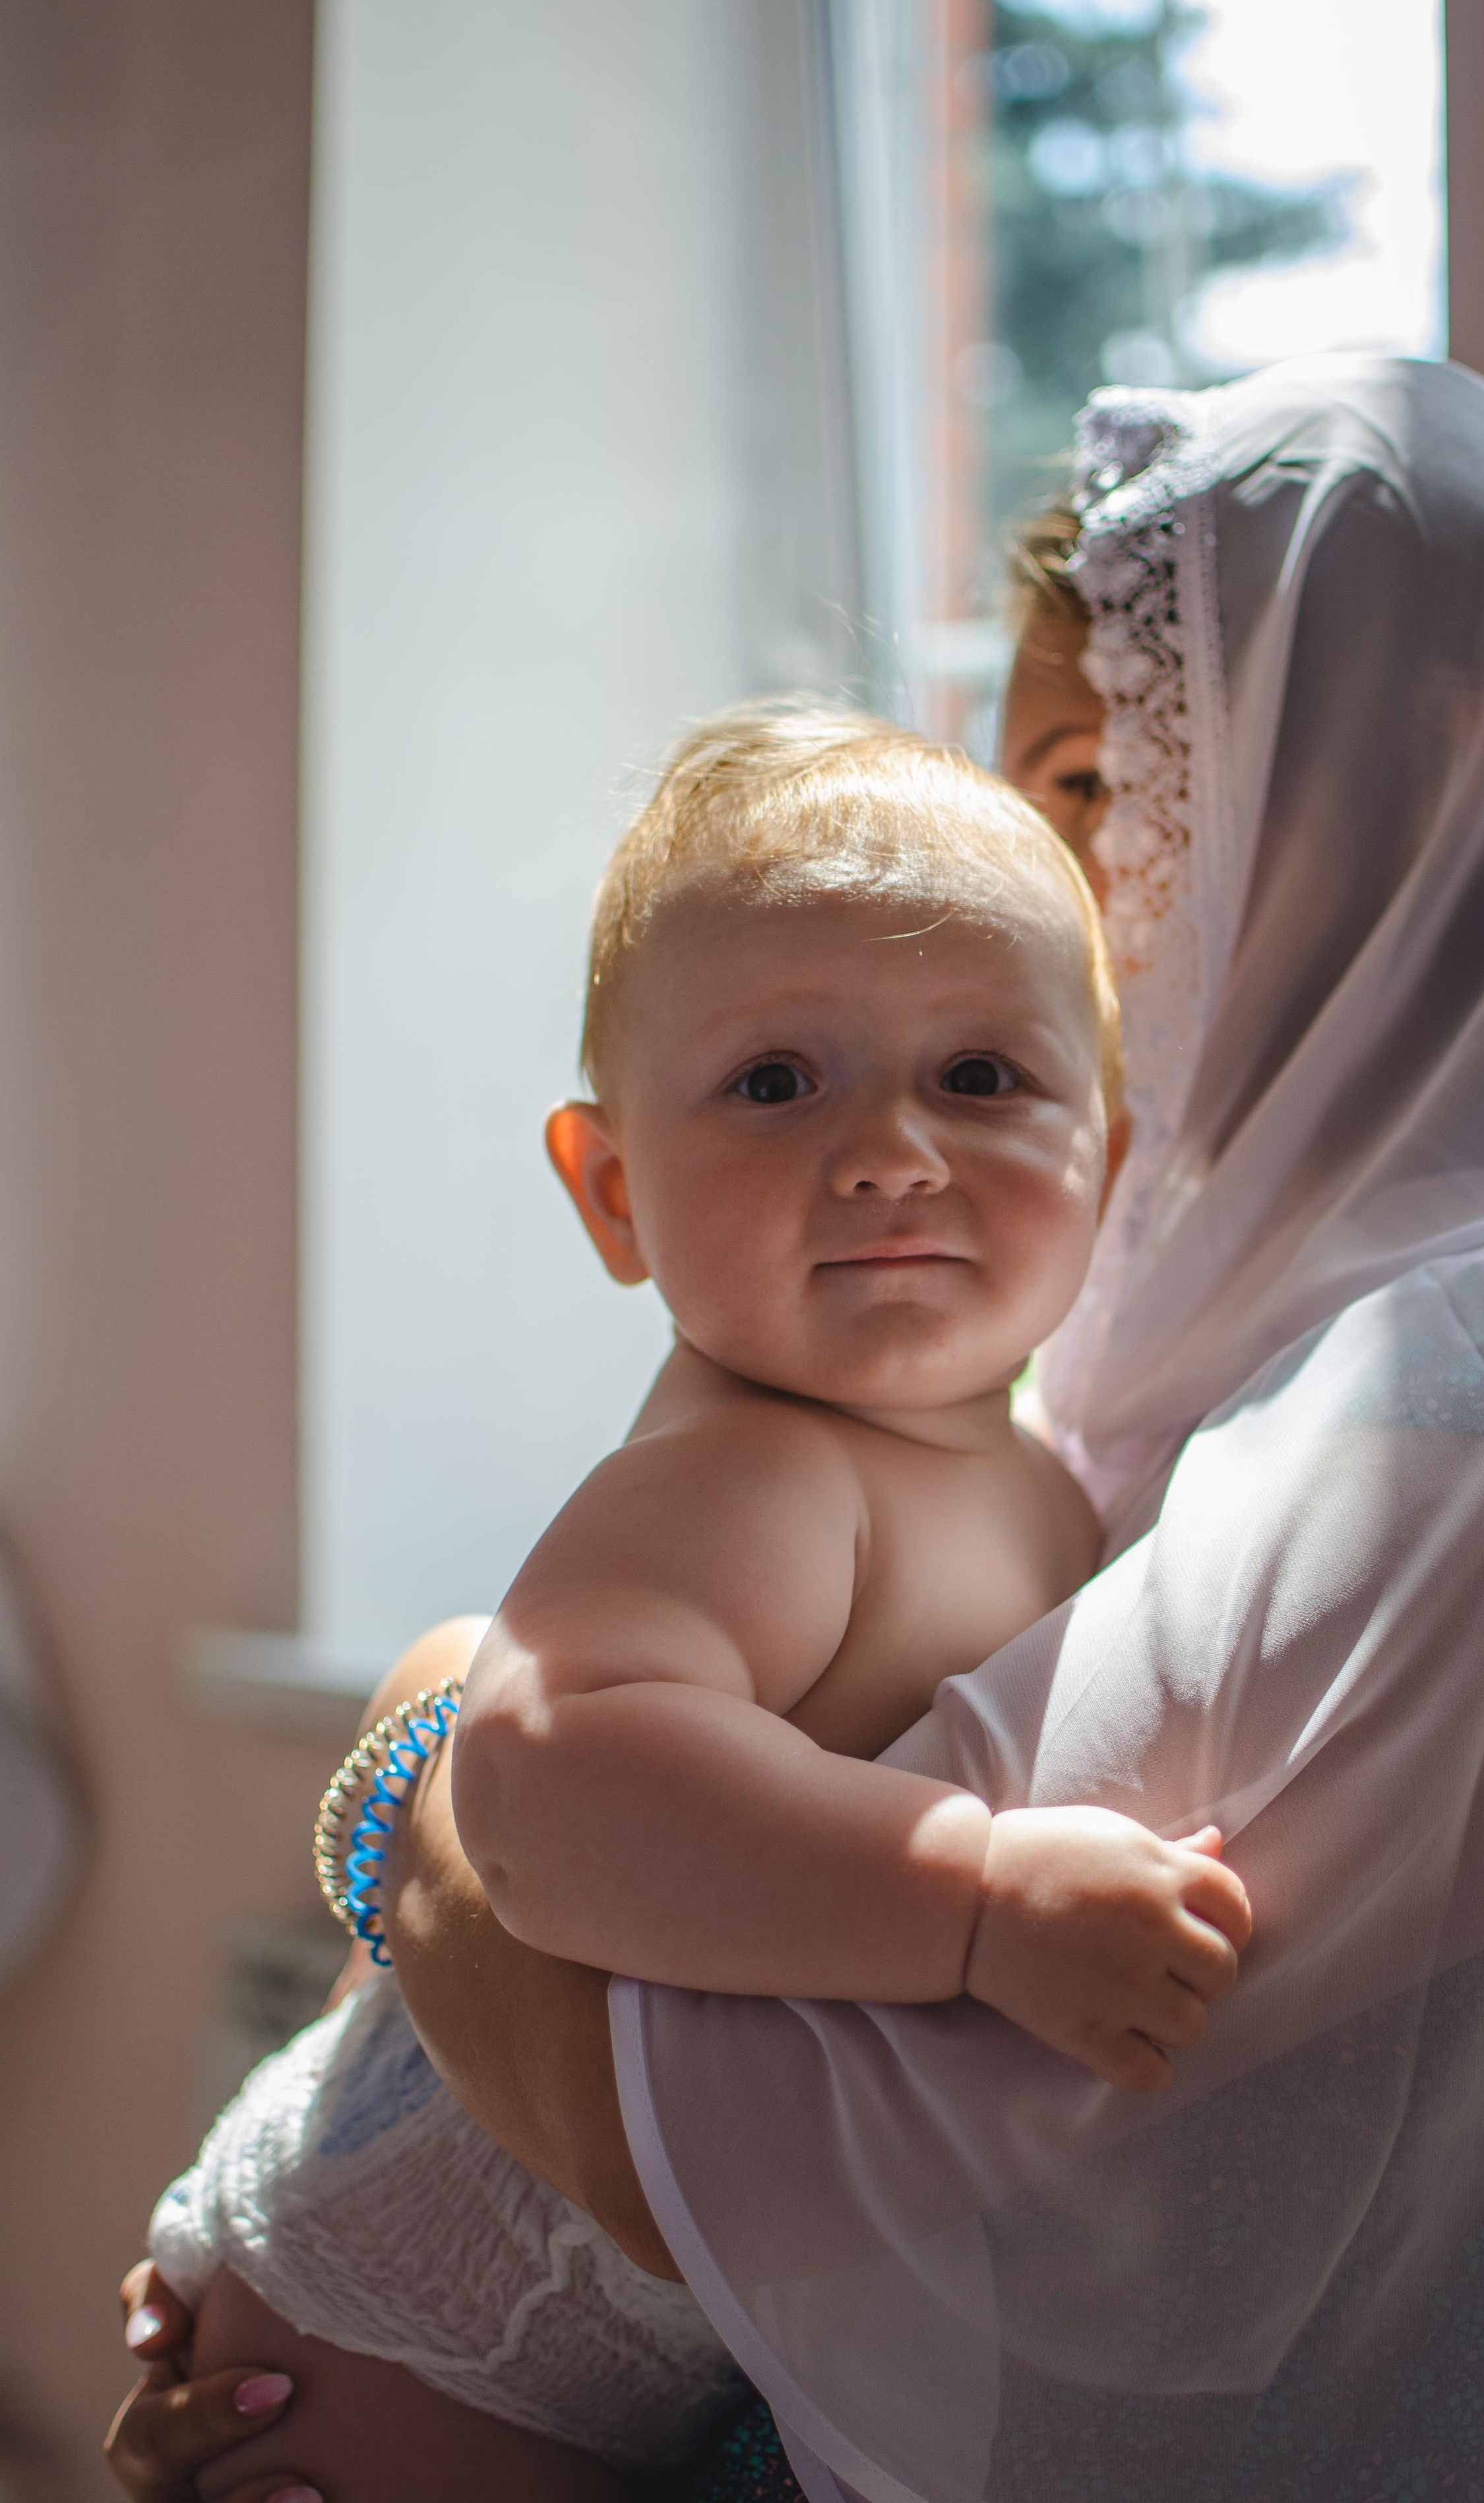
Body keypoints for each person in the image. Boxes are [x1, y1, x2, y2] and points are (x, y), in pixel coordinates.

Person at [109, 352, 1484, 2502]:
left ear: (1402, 792)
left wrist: (419, 1759)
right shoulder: (1163, 1334)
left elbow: (769, 2150)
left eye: (1094, 781)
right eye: (779, 1078)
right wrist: (450, 1759)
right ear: (608, 1179)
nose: (1055, 897)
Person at [131, 708, 1250, 2502]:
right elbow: (552, 1779)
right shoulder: (766, 1471)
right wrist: (972, 1894)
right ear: (614, 1189)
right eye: (777, 1082)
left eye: (979, 1078)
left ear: (1108, 1164)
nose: (892, 1150)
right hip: (395, 2355)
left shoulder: (1032, 1473)